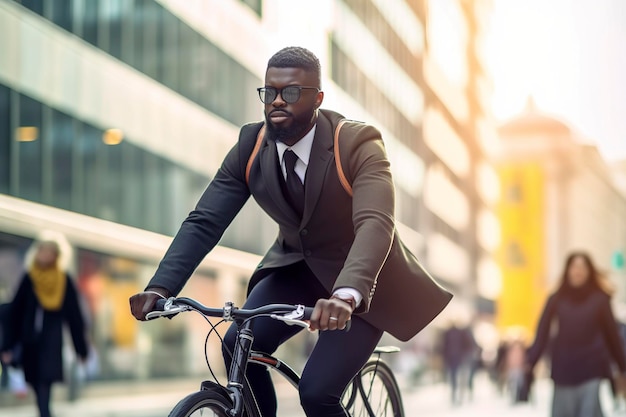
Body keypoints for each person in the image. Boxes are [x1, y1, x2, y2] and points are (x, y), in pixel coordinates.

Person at [129, 46, 452, 417]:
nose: (277, 101)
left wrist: (346, 296)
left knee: (316, 394)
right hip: (296, 270)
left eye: (291, 92)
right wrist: (160, 287)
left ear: (318, 98)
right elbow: (205, 220)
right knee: (237, 345)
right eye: (270, 92)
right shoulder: (250, 147)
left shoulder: (357, 144)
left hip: (362, 283)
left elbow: (376, 223)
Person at [525, 251, 626, 417]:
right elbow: (542, 332)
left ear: (589, 271)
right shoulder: (556, 299)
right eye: (574, 266)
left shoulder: (600, 299)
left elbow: (612, 336)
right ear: (568, 270)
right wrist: (531, 361)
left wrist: (623, 367)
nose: (578, 271)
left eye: (582, 267)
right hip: (563, 369)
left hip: (591, 368)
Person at [1, 239, 89, 417]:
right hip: (30, 343)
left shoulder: (63, 280)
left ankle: (45, 413)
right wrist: (7, 346)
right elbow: (15, 314)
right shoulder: (30, 277)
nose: (44, 256)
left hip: (51, 343)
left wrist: (81, 349)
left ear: (56, 256)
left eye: (49, 252)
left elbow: (74, 317)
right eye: (42, 251)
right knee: (35, 383)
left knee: (44, 385)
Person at [441, 321, 476, 405]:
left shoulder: (450, 333)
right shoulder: (460, 333)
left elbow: (444, 346)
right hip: (458, 359)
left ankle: (456, 396)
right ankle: (458, 396)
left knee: (455, 378)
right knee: (459, 378)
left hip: (455, 359)